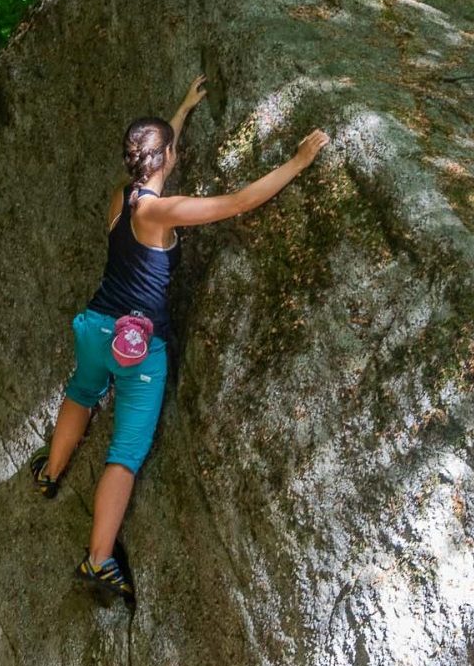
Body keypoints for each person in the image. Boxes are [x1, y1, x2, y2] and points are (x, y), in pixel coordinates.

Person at [32, 74, 330, 601]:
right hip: (138, 348)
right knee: (125, 451)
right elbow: (238, 202)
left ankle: (50, 472)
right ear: (166, 158)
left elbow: (153, 153)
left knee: (81, 392)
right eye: (171, 150)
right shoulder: (162, 212)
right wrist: (298, 163)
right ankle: (98, 561)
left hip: (95, 329)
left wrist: (182, 110)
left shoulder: (120, 198)